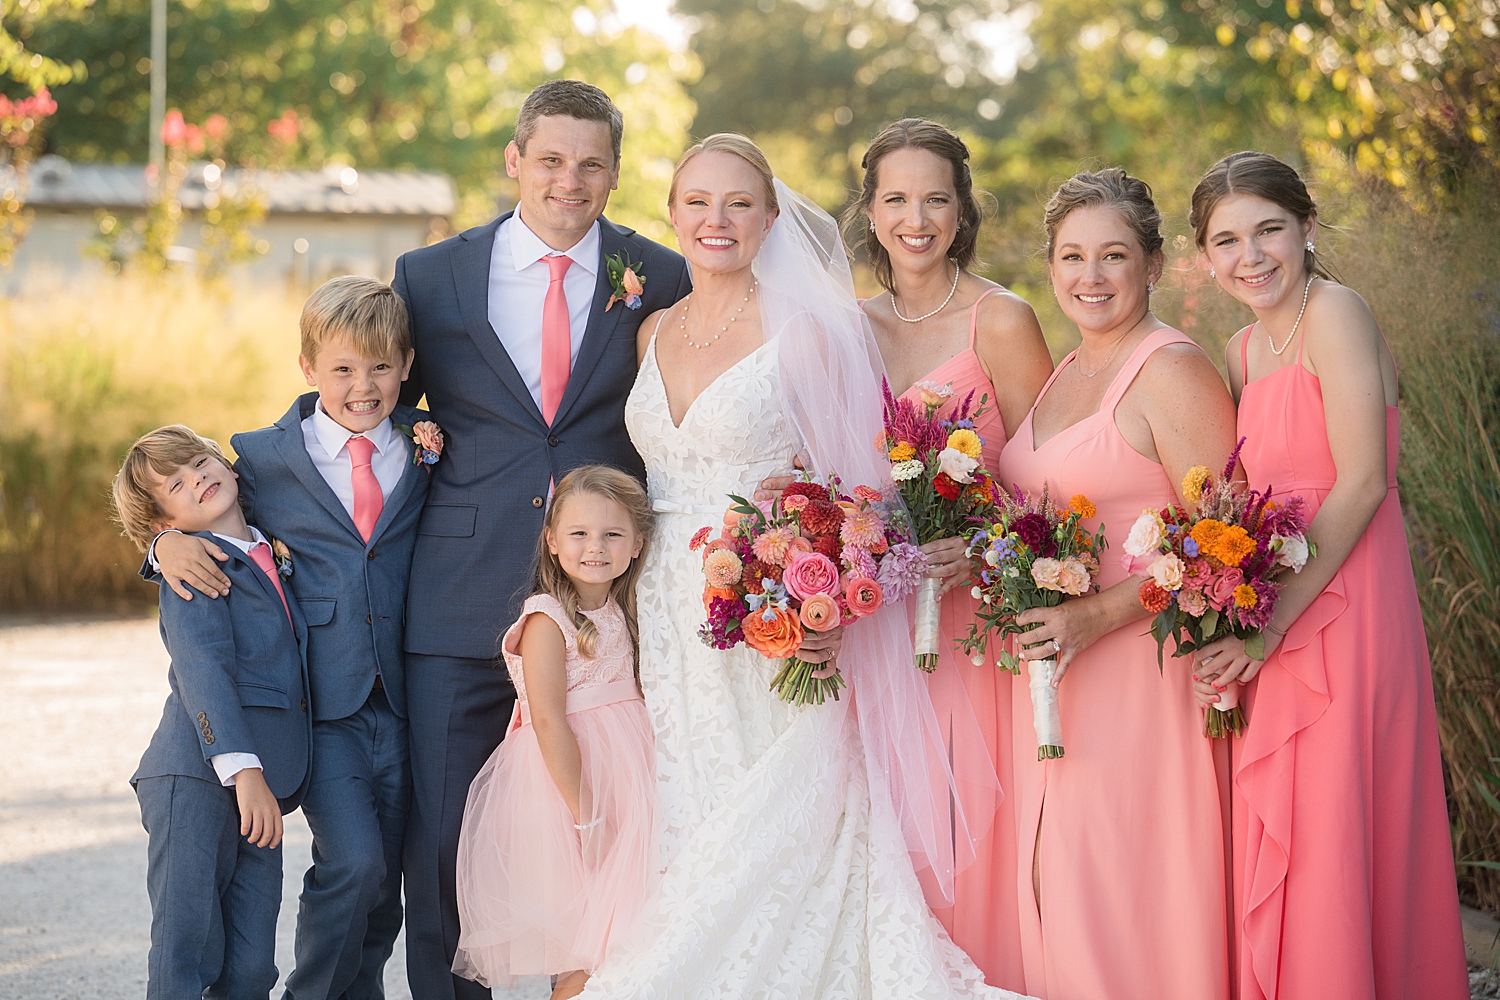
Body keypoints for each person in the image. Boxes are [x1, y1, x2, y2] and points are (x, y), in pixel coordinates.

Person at [580, 133, 1032, 999]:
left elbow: (862, 497)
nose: (717, 220)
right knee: (686, 799)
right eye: (698, 202)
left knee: (782, 809)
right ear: (670, 213)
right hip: (663, 612)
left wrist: (827, 603)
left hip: (764, 611)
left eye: (739, 203)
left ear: (771, 219)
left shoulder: (812, 332)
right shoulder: (650, 332)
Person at [390, 80, 691, 999]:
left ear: (613, 171)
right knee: (443, 841)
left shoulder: (663, 277)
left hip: (603, 604)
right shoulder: (430, 275)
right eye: (552, 159)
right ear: (515, 159)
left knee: (612, 840)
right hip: (460, 592)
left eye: (592, 162)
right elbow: (361, 402)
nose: (571, 179)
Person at [1188, 151, 1467, 1000]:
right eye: (1227, 240)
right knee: (1303, 830)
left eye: (1269, 229)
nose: (1251, 255)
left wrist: (1269, 624)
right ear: (1205, 257)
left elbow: (1365, 482)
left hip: (1347, 606)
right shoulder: (1238, 347)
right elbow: (1241, 497)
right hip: (1279, 605)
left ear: (1307, 228)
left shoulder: (1336, 312)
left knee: (1341, 819)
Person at [994, 168, 1237, 1000]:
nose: (1090, 277)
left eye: (1113, 256)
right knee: (1060, 883)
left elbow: (1223, 543)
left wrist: (1096, 615)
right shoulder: (1066, 368)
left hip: (1139, 670)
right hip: (1059, 669)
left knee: (1120, 894)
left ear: (1155, 264)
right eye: (1071, 256)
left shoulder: (1170, 370)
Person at [153, 275, 431, 999]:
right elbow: (201, 508)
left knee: (387, 886)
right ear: (308, 369)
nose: (361, 387)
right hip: (323, 704)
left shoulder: (427, 444)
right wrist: (159, 547)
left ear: (405, 364)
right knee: (355, 864)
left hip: (405, 700)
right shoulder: (266, 458)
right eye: (341, 369)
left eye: (379, 367)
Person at [843, 117, 1052, 989]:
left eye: (936, 198)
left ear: (963, 209)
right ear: (871, 209)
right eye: (897, 198)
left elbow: (1052, 477)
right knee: (888, 820)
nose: (916, 217)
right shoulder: (849, 326)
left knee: (974, 821)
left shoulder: (1000, 318)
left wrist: (982, 541)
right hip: (882, 623)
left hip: (975, 622)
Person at [113, 425, 312, 999]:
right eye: (176, 483)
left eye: (200, 462)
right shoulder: (191, 568)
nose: (197, 477)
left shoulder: (269, 546)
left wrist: (259, 778)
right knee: (187, 950)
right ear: (162, 525)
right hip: (195, 775)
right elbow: (203, 671)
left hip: (262, 786)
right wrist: (243, 769)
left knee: (251, 968)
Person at [453, 466, 657, 1000]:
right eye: (580, 534)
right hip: (573, 788)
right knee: (586, 952)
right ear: (552, 540)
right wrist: (586, 814)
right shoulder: (546, 618)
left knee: (624, 941)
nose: (596, 547)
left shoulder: (625, 610)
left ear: (637, 544)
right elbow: (546, 719)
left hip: (631, 777)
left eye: (613, 534)